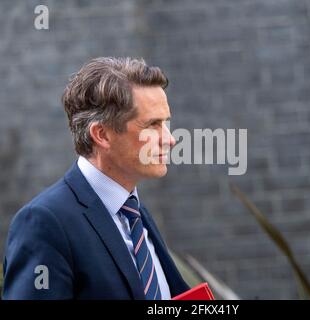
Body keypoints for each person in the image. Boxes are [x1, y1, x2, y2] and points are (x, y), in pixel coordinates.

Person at [2, 57, 190, 299]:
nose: (170, 139)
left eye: (166, 123)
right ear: (102, 134)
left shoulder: (135, 213)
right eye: (153, 124)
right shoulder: (44, 223)